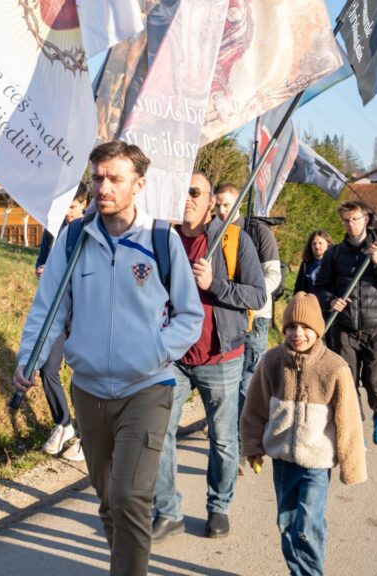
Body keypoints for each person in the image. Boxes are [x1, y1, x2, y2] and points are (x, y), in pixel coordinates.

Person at [13, 142, 203, 576]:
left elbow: (189, 316)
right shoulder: (74, 239)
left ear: (139, 185)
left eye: (115, 178)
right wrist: (29, 358)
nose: (103, 187)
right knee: (108, 501)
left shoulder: (162, 240)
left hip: (147, 388)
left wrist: (154, 352)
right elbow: (48, 309)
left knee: (129, 497)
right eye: (98, 178)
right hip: (89, 391)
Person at [152, 173, 267, 541]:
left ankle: (218, 506)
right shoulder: (161, 239)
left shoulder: (233, 240)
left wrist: (213, 284)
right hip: (173, 357)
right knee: (159, 433)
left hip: (220, 356)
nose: (186, 198)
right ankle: (166, 509)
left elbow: (257, 295)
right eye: (180, 191)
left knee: (223, 439)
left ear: (210, 200)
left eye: (194, 192)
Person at [240, 292, 367, 576]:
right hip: (283, 461)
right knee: (286, 524)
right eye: (292, 327)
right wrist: (252, 445)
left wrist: (352, 465)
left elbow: (348, 419)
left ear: (318, 330)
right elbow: (254, 407)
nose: (298, 333)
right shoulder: (271, 361)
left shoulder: (334, 366)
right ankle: (298, 571)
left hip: (316, 463)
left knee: (307, 525)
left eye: (306, 327)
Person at [314, 200, 377, 445]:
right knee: (347, 381)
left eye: (355, 219)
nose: (350, 224)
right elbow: (320, 287)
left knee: (373, 380)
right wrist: (330, 301)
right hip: (345, 327)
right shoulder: (334, 253)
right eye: (346, 220)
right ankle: (355, 427)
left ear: (366, 219)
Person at [214, 183, 282, 441]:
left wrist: (248, 295)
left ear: (239, 203)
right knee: (226, 377)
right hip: (224, 316)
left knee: (248, 377)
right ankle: (231, 430)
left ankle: (243, 436)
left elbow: (273, 274)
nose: (222, 210)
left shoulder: (258, 231)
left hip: (256, 315)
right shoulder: (212, 232)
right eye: (218, 205)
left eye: (227, 205)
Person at [33, 186, 89, 461]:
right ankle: (64, 423)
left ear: (84, 204)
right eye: (64, 207)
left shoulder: (89, 231)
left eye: (73, 207)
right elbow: (41, 262)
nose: (67, 213)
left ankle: (87, 435)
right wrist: (41, 271)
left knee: (84, 375)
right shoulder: (52, 231)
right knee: (47, 368)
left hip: (83, 312)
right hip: (56, 312)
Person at [293, 230, 333, 294]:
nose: (317, 246)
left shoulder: (334, 264)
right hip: (309, 300)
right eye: (314, 243)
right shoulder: (306, 264)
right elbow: (298, 288)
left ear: (328, 244)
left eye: (320, 243)